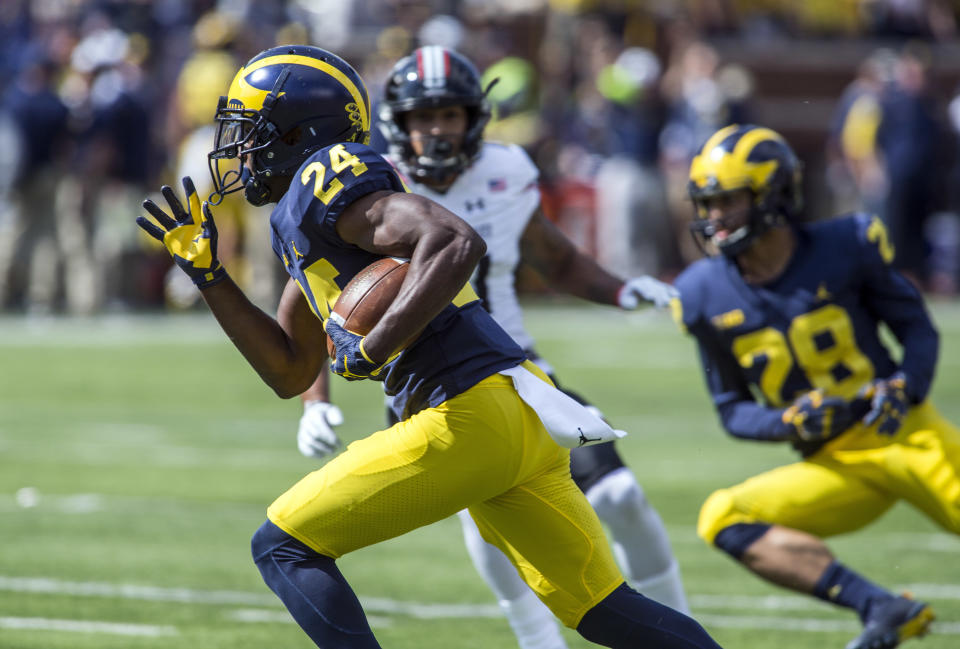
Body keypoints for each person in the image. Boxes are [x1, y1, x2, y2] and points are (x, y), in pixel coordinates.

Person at [136, 44, 724, 649]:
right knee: (606, 611)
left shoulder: (327, 178)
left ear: (298, 132)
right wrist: (209, 276)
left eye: (253, 133)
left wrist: (373, 346)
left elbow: (451, 238)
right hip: (519, 410)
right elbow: (290, 369)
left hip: (465, 412)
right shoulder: (304, 220)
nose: (240, 150)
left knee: (283, 545)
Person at [296, 46, 689, 649]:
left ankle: (672, 619)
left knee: (620, 494)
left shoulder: (507, 169)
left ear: (475, 117)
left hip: (521, 368)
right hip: (424, 383)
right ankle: (540, 641)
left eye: (450, 115)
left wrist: (621, 290)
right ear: (399, 123)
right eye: (423, 117)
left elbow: (553, 257)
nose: (436, 130)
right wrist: (312, 398)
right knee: (491, 530)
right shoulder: (367, 182)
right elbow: (311, 294)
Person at [674, 123, 956, 649]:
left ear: (773, 193)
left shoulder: (846, 244)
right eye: (707, 204)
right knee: (723, 516)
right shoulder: (701, 294)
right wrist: (786, 421)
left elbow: (916, 327)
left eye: (728, 201)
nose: (714, 218)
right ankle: (880, 606)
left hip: (905, 435)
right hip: (834, 463)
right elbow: (732, 409)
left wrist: (906, 384)